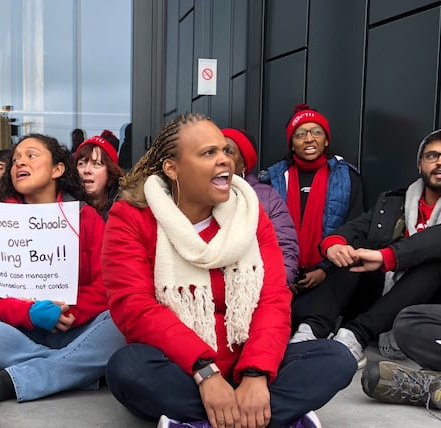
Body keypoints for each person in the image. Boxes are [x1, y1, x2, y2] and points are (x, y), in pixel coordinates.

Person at [103, 113, 356, 428]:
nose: (224, 159)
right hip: (180, 367)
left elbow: (273, 298)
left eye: (224, 150)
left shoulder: (250, 214)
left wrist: (256, 373)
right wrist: (206, 373)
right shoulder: (131, 218)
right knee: (127, 368)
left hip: (248, 363)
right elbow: (134, 306)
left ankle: (207, 420)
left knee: (336, 359)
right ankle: (260, 417)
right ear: (172, 168)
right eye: (208, 153)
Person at [0, 133, 126, 405]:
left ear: (57, 169)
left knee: (123, 321)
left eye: (31, 155)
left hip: (76, 327)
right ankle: (77, 370)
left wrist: (65, 312)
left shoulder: (85, 217)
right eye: (15, 159)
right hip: (13, 333)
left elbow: (108, 286)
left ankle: (23, 378)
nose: (19, 163)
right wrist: (28, 313)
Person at [290, 129, 441, 373]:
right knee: (354, 251)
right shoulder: (393, 201)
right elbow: (358, 227)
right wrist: (333, 244)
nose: (439, 162)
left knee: (433, 265)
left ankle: (356, 335)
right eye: (432, 156)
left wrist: (387, 256)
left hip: (428, 306)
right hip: (382, 293)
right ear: (419, 164)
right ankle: (312, 331)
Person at [260, 104, 363, 302]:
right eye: (300, 134)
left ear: (326, 140)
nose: (309, 139)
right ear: (291, 144)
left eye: (316, 132)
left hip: (331, 277)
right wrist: (285, 275)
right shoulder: (272, 179)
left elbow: (355, 227)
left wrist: (324, 271)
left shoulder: (347, 177)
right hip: (279, 278)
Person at [223, 128, 298, 286]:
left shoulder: (267, 197)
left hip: (257, 287)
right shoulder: (197, 193)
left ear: (244, 164)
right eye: (213, 151)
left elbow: (284, 247)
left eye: (228, 151)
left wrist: (275, 287)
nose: (220, 157)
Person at [74, 131, 125, 221]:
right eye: (81, 164)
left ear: (110, 172)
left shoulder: (123, 211)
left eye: (96, 164)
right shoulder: (66, 208)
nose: (87, 170)